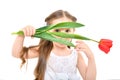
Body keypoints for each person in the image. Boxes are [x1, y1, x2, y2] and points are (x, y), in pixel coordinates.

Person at [12, 10, 96, 80]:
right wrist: (21, 34)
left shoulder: (76, 55)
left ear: (73, 32)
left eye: (67, 31)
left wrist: (91, 58)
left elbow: (89, 79)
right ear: (48, 32)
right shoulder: (45, 50)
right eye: (57, 30)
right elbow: (17, 54)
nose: (62, 36)